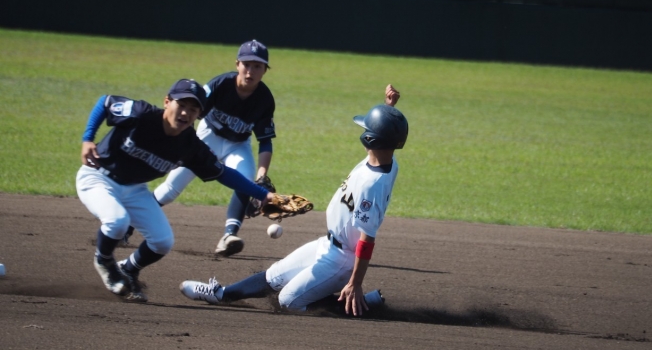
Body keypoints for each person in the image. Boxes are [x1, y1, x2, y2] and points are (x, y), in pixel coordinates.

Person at [180, 85, 407, 316]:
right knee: (274, 276)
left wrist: (355, 283)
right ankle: (221, 294)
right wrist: (387, 110)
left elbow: (367, 240)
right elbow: (385, 138)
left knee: (288, 301)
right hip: (327, 245)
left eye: (367, 128)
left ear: (371, 138)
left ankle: (364, 303)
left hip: (342, 260)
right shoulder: (384, 159)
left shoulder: (372, 184)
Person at [76, 78, 276, 303]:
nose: (185, 113)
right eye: (181, 105)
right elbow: (106, 102)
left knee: (162, 242)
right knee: (117, 221)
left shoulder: (190, 145)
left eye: (193, 109)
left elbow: (224, 173)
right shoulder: (142, 114)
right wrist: (87, 139)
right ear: (167, 102)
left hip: (135, 190)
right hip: (98, 178)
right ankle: (104, 260)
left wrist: (264, 195)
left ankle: (128, 270)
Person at [147, 40, 276, 257]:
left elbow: (265, 141)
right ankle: (128, 226)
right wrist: (183, 144)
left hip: (238, 144)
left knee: (245, 181)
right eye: (246, 64)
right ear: (237, 64)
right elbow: (190, 114)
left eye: (257, 66)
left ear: (265, 70)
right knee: (171, 188)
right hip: (207, 136)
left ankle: (229, 236)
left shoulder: (265, 99)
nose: (250, 71)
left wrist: (261, 175)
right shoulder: (220, 85)